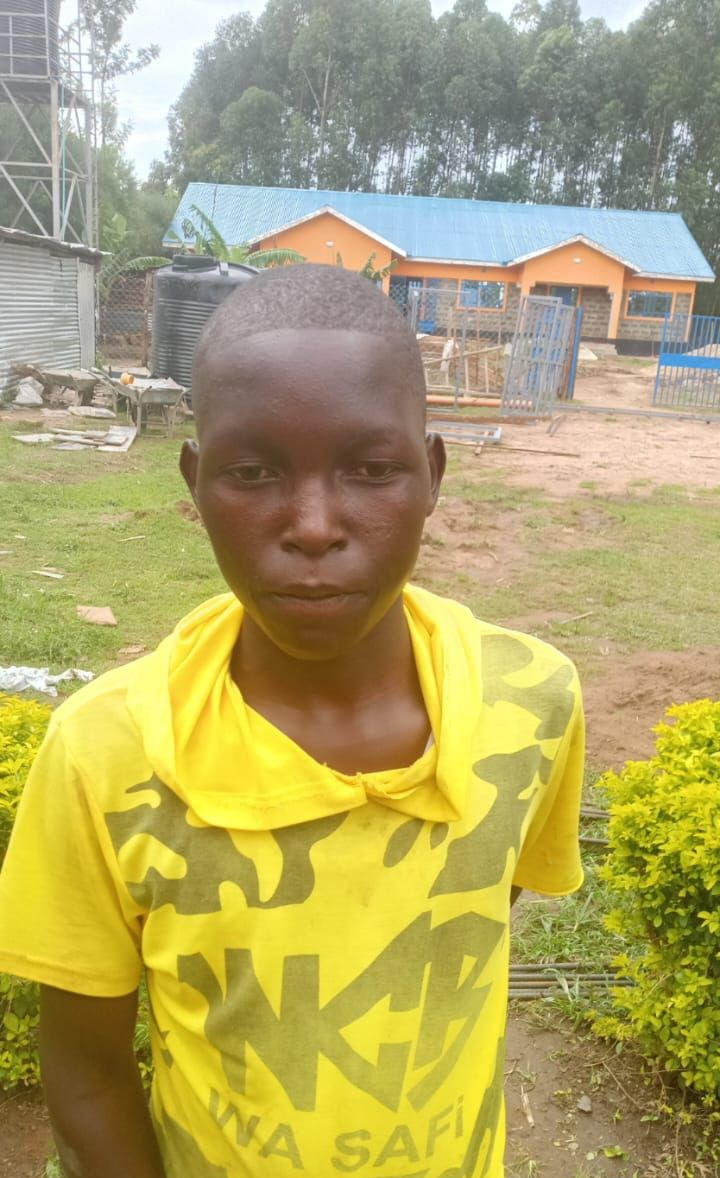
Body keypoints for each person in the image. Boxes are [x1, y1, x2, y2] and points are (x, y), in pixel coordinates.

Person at [0, 264, 584, 1178]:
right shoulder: (106, 753)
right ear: (194, 484)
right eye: (255, 470)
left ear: (430, 476)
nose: (314, 525)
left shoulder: (531, 705)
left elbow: (465, 922)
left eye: (372, 469)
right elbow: (83, 1074)